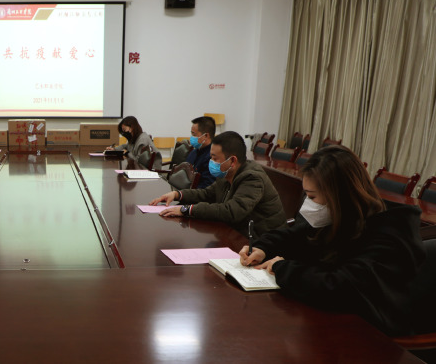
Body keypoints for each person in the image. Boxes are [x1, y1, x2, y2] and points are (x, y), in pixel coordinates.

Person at [239, 145, 425, 336]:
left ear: (339, 195)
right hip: (331, 323)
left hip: (371, 334)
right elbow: (294, 236)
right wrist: (262, 248)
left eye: (312, 197)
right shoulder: (341, 216)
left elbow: (339, 288)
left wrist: (281, 267)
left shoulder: (391, 234)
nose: (307, 205)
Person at [149, 131, 286, 235]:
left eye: (215, 158)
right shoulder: (226, 173)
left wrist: (186, 209)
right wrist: (177, 195)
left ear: (232, 161)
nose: (211, 162)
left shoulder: (252, 177)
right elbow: (207, 194)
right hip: (235, 232)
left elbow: (231, 211)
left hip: (263, 242)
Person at [186, 116, 216, 188]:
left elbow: (206, 186)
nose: (191, 137)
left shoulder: (212, 158)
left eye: (194, 134)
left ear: (206, 136)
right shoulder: (194, 152)